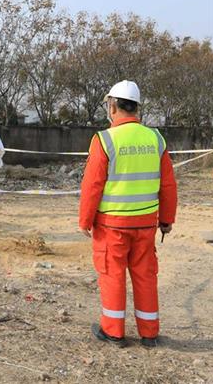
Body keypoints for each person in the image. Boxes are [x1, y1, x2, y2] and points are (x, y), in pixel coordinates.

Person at [79, 80, 177, 348]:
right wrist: (166, 221)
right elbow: (168, 184)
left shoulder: (105, 139)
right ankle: (149, 333)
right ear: (137, 108)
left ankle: (113, 331)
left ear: (112, 106)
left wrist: (85, 220)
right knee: (146, 276)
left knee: (112, 275)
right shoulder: (155, 138)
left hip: (112, 225)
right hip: (145, 225)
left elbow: (92, 185)